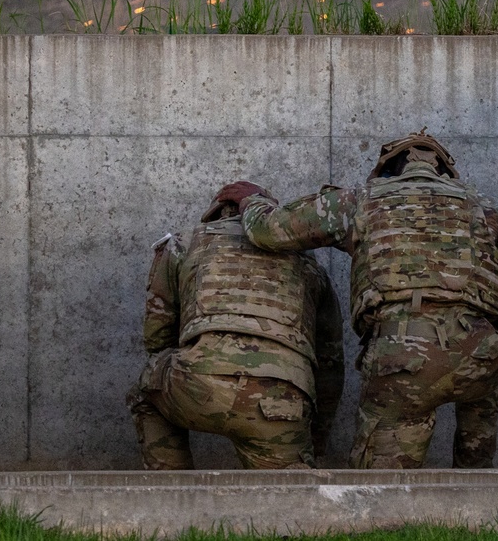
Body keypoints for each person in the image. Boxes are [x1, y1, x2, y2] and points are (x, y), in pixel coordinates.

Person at [221, 131, 498, 469]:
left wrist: (252, 200)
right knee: (477, 475)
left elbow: (267, 231)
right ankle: (482, 505)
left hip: (405, 355)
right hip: (484, 352)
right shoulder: (490, 208)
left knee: (381, 486)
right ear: (446, 172)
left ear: (387, 168)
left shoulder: (361, 199)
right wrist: (492, 329)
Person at [126, 186, 344, 470]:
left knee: (146, 390)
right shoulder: (309, 264)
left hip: (198, 384)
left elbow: (157, 336)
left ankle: (173, 492)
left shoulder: (185, 242)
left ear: (215, 214)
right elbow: (330, 366)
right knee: (287, 500)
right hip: (281, 403)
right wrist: (315, 440)